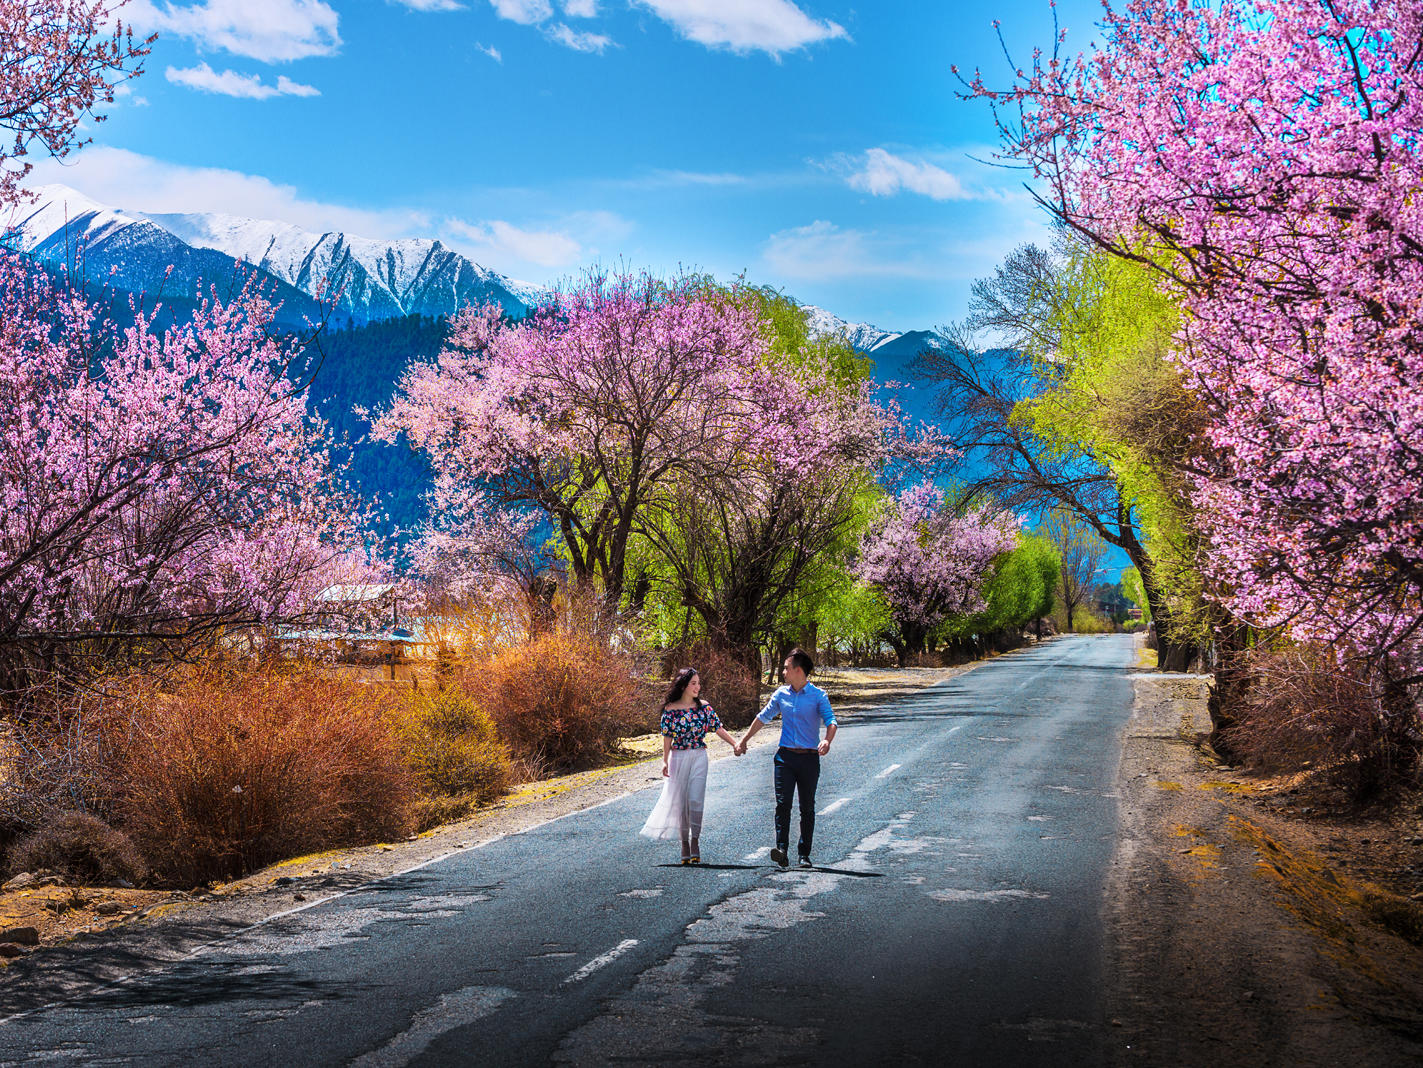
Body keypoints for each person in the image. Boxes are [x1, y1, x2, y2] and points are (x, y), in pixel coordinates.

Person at [735, 647, 837, 869]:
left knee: (807, 807)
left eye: (786, 668)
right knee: (783, 804)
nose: (782, 672)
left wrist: (827, 740)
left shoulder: (819, 696)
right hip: (785, 758)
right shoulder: (781, 694)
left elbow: (831, 721)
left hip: (809, 759)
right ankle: (781, 849)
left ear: (798, 670)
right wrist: (744, 740)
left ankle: (804, 854)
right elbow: (763, 717)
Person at [640, 667, 740, 864]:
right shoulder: (670, 710)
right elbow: (667, 737)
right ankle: (684, 843)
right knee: (682, 804)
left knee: (696, 800)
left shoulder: (704, 707)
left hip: (699, 756)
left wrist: (735, 743)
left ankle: (695, 840)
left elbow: (718, 728)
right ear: (684, 686)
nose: (697, 687)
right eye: (693, 683)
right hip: (678, 757)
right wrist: (664, 760)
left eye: (698, 683)